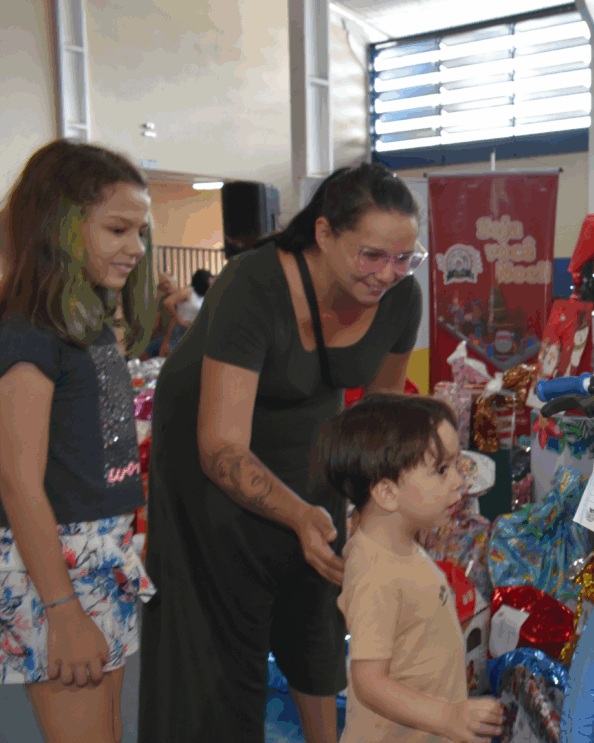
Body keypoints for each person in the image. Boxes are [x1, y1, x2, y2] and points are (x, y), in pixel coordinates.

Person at [138, 163, 426, 743]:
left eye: (404, 258)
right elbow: (221, 446)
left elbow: (379, 416)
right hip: (209, 446)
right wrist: (294, 513)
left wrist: (388, 510)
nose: (388, 273)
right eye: (372, 255)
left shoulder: (399, 298)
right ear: (323, 234)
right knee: (221, 630)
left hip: (305, 434)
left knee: (320, 593)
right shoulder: (254, 283)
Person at [0, 139, 157, 742]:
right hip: (56, 565)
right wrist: (61, 608)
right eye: (117, 229)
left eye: (140, 231)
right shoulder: (31, 332)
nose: (135, 248)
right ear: (61, 226)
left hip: (100, 555)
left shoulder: (84, 323)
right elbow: (18, 481)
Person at [317, 393, 505, 743]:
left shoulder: (397, 543)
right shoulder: (377, 573)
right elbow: (369, 681)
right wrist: (448, 717)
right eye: (441, 470)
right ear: (387, 494)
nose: (460, 483)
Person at [158, 268, 212, 357]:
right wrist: (179, 320)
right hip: (182, 331)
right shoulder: (189, 290)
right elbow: (168, 302)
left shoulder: (204, 294)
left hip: (195, 332)